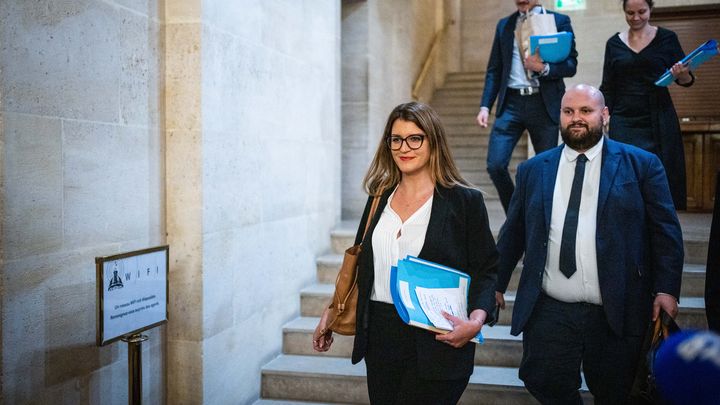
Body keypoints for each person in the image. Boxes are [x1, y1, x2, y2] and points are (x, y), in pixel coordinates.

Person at [494, 84, 684, 403]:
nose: (576, 118)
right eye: (569, 112)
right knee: (543, 380)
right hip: (550, 307)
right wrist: (496, 283)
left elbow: (665, 231)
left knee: (615, 390)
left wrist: (666, 288)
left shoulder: (642, 165)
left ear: (604, 115)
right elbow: (513, 233)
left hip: (615, 308)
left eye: (586, 111)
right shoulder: (533, 170)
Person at [313, 102, 499, 404]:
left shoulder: (464, 201)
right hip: (381, 336)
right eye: (396, 139)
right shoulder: (378, 198)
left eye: (415, 138)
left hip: (438, 336)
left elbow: (486, 271)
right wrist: (331, 311)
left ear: (433, 141)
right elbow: (362, 264)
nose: (404, 148)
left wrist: (476, 322)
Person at [476, 0, 578, 213]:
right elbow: (495, 69)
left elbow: (571, 65)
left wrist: (544, 68)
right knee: (495, 165)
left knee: (546, 168)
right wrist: (485, 106)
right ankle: (517, 214)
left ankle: (543, 219)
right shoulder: (504, 25)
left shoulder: (559, 21)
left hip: (543, 103)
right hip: (511, 103)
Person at [600, 0, 693, 210]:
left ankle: (659, 227)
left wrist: (683, 73)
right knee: (625, 173)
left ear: (651, 9)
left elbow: (686, 80)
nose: (636, 18)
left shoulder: (667, 38)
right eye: (630, 13)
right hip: (624, 118)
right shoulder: (613, 43)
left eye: (641, 12)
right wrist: (603, 113)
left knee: (660, 175)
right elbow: (608, 86)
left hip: (658, 115)